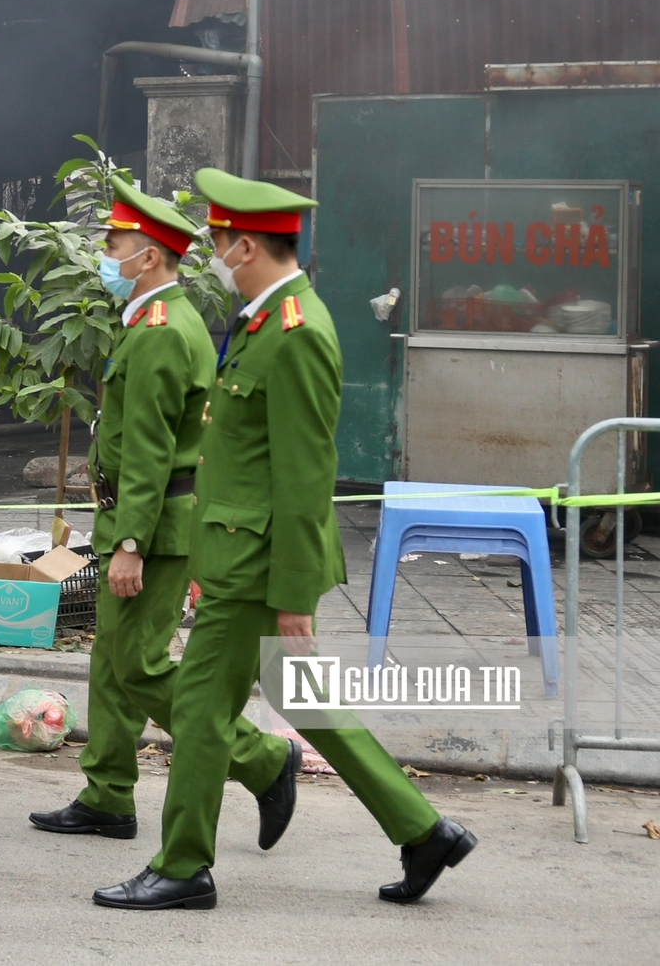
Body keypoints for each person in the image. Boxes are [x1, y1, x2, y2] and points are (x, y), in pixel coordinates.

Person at [94, 169, 476, 912]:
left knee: (202, 710)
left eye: (216, 244)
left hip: (260, 565)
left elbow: (306, 475)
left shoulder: (298, 333)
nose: (209, 257)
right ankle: (423, 828)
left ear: (245, 247)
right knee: (309, 703)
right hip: (244, 555)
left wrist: (295, 595)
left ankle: (182, 866)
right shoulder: (268, 319)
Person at [29, 180, 297, 852]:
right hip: (147, 518)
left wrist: (128, 542)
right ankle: (108, 792)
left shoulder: (159, 332)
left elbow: (149, 453)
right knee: (112, 660)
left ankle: (262, 759)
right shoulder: (160, 320)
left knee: (138, 663)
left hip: (154, 526)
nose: (104, 256)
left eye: (113, 245)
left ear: (147, 257)